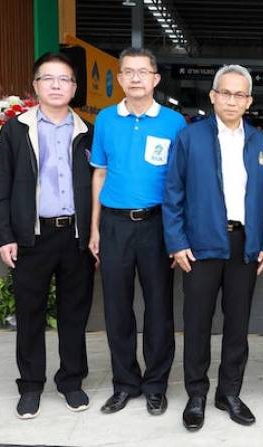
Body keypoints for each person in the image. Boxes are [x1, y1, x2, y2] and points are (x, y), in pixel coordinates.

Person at [162, 64, 263, 430]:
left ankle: (229, 393)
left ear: (249, 101)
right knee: (197, 322)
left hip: (244, 244)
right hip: (200, 243)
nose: (232, 100)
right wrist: (177, 242)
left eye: (239, 94)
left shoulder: (260, 142)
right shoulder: (190, 137)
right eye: (225, 92)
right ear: (212, 96)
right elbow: (173, 192)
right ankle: (196, 394)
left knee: (237, 323)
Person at [0, 52, 95, 419]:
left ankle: (71, 381)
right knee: (30, 313)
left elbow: (100, 184)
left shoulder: (87, 132)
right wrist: (5, 235)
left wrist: (95, 232)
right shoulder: (16, 130)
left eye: (64, 79)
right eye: (48, 78)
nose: (56, 85)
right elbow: (1, 187)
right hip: (32, 237)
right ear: (35, 85)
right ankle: (31, 386)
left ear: (74, 88)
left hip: (76, 236)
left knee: (74, 314)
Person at [89, 47, 187, 416]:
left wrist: (178, 235)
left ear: (155, 79)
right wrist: (95, 227)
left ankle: (156, 385)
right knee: (117, 307)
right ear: (119, 78)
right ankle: (125, 383)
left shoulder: (174, 122)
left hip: (157, 224)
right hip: (114, 224)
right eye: (128, 71)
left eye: (142, 71)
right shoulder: (105, 119)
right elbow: (99, 173)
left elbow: (181, 182)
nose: (135, 78)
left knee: (159, 308)